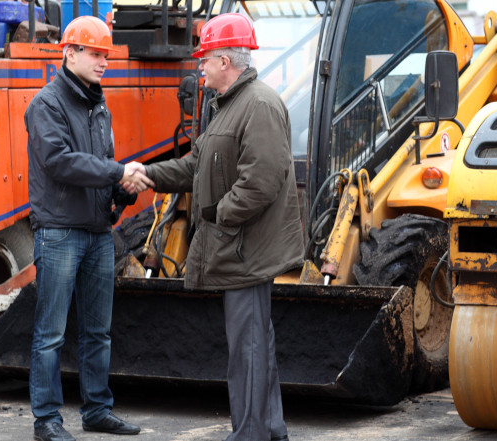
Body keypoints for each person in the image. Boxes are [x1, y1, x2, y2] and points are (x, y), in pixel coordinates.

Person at [143, 13, 304, 441]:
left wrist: (219, 215)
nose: (200, 67)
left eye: (205, 59)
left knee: (248, 350)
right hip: (239, 247)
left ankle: (249, 434)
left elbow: (261, 181)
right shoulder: (230, 107)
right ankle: (269, 430)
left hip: (244, 249)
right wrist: (150, 174)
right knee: (255, 345)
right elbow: (197, 166)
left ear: (225, 61)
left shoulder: (259, 105)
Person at [24, 15, 153, 441]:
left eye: (106, 55)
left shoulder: (100, 106)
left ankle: (97, 410)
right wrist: (118, 172)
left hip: (97, 233)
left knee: (98, 331)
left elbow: (101, 166)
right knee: (51, 334)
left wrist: (122, 194)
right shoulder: (45, 105)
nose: (103, 62)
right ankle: (47, 421)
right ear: (69, 52)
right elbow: (61, 162)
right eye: (95, 54)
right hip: (59, 232)